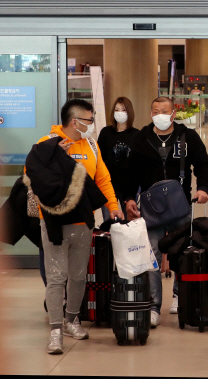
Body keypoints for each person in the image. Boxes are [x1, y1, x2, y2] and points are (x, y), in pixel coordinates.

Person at [28, 99, 124, 354]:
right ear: (75, 121)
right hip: (54, 223)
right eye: (89, 120)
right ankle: (56, 330)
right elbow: (33, 177)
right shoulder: (46, 144)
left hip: (84, 222)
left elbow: (102, 177)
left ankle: (72, 319)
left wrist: (113, 206)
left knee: (79, 275)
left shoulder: (91, 144)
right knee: (57, 277)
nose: (92, 124)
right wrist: (55, 154)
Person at [123, 97, 208, 328]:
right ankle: (153, 306)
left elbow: (204, 165)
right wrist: (129, 198)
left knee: (182, 252)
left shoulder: (187, 137)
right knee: (151, 254)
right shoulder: (140, 138)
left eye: (164, 111)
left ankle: (179, 296)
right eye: (156, 111)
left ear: (174, 114)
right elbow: (130, 172)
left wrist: (203, 188)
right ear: (151, 113)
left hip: (180, 204)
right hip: (150, 207)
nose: (160, 115)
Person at [97, 97, 139, 221]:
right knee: (109, 222)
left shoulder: (136, 135)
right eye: (117, 109)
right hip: (108, 186)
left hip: (129, 188)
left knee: (129, 224)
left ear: (129, 112)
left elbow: (138, 165)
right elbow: (99, 159)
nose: (119, 113)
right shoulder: (106, 133)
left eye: (123, 110)